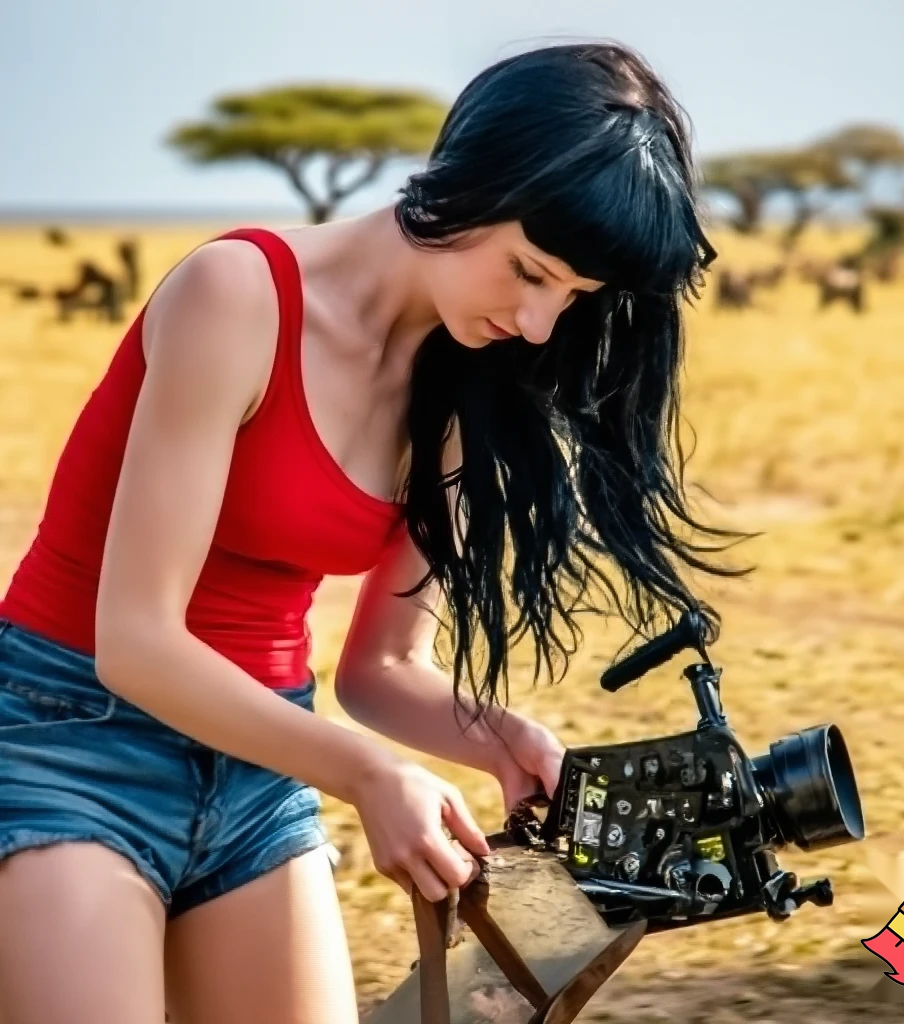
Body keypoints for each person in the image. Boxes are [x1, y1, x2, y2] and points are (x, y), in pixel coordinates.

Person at [0, 39, 742, 1024]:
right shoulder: (239, 295)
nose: (535, 321)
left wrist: (500, 739)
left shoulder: (464, 385)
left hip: (260, 768)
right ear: (473, 185)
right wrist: (366, 771)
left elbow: (380, 668)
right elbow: (134, 643)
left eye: (570, 297)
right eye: (528, 271)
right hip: (70, 744)